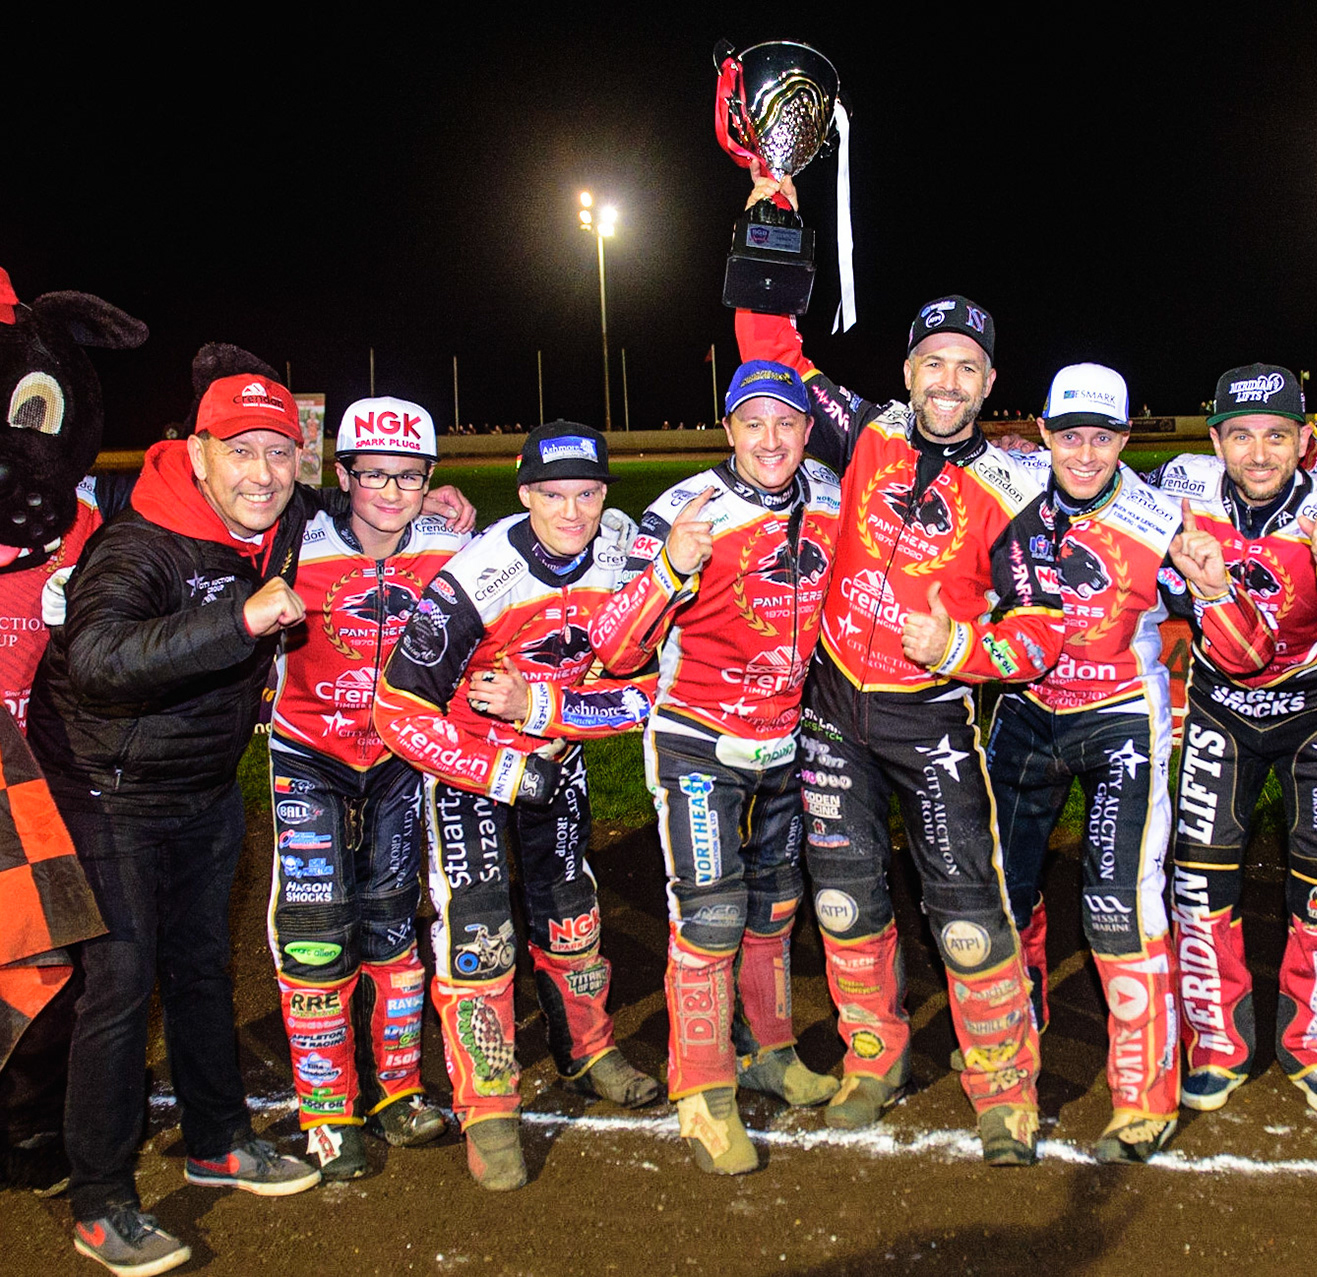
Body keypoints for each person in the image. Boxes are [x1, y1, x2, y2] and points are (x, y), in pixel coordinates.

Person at [736, 177, 1067, 1165]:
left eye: (967, 367)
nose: (949, 381)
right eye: (934, 362)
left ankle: (1003, 1089)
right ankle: (872, 1058)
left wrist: (961, 650)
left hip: (932, 720)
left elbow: (1044, 631)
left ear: (987, 377)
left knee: (967, 909)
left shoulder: (1014, 484)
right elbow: (772, 353)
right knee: (843, 898)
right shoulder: (868, 428)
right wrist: (770, 221)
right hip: (834, 706)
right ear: (910, 368)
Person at [27, 375, 358, 1274]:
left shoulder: (274, 519)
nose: (264, 472)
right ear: (198, 452)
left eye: (280, 452)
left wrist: (410, 494)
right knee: (123, 981)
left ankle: (218, 1139)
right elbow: (97, 660)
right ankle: (100, 1198)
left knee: (203, 964)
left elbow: (330, 500)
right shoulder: (140, 543)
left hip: (203, 786)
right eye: (241, 451)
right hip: (109, 789)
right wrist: (237, 619)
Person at [989, 362, 1271, 1162]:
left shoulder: (1161, 518)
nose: (1085, 451)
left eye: (1102, 436)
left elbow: (1242, 651)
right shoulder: (1007, 497)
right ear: (1042, 433)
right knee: (1003, 895)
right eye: (1069, 433)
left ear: (1124, 438)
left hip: (1118, 721)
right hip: (1023, 712)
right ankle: (1013, 1053)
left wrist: (1216, 590)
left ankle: (1143, 1095)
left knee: (1118, 902)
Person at [374, 422, 661, 1191]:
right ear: (525, 492)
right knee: (480, 931)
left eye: (589, 493)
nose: (573, 511)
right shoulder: (478, 574)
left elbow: (650, 693)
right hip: (471, 770)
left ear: (607, 493)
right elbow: (397, 708)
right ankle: (489, 1103)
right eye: (553, 494)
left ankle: (589, 1049)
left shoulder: (626, 549)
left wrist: (544, 708)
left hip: (555, 751)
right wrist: (500, 770)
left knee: (573, 912)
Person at [1146, 363, 1317, 1118]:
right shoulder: (1181, 491)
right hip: (1220, 709)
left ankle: (1315, 1043)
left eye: (1276, 435)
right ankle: (1218, 1043)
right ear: (1215, 441)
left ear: (1305, 440)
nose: (1259, 453)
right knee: (1200, 883)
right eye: (1240, 435)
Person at [589, 361, 841, 1175]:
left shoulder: (830, 494)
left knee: (776, 902)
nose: (771, 440)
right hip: (699, 741)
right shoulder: (684, 509)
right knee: (713, 914)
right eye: (752, 422)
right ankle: (702, 1092)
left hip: (784, 739)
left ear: (807, 430)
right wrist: (671, 568)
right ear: (728, 429)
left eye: (787, 423)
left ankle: (767, 1048)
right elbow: (615, 647)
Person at [266, 396, 466, 1181]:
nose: (390, 490)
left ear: (429, 481)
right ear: (342, 474)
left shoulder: (452, 543)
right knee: (316, 925)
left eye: (410, 476)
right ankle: (326, 1110)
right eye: (374, 473)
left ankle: (398, 1091)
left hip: (396, 760)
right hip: (308, 755)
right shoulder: (291, 541)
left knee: (392, 920)